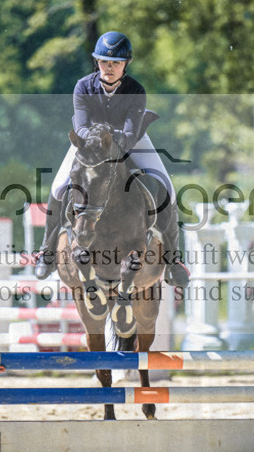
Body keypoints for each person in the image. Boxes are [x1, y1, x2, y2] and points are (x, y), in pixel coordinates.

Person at [34, 31, 189, 287]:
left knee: (167, 190)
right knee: (58, 188)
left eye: (115, 62)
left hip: (132, 142)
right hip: (90, 145)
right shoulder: (83, 86)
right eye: (105, 61)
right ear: (97, 62)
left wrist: (109, 138)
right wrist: (96, 139)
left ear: (125, 64)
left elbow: (129, 135)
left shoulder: (135, 90)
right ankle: (47, 252)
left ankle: (173, 261)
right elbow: (81, 126)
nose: (109, 67)